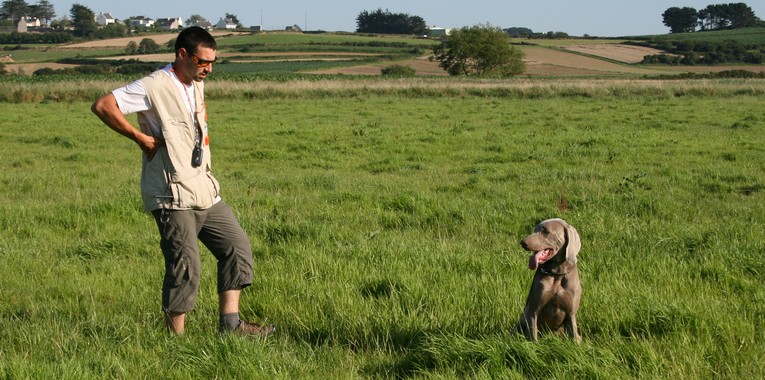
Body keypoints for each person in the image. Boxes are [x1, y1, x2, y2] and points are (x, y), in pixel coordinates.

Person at [91, 27, 275, 337]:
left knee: (237, 247)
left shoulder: (194, 83)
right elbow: (103, 105)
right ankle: (176, 342)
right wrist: (140, 138)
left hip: (203, 187)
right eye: (203, 62)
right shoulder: (153, 85)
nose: (209, 69)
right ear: (182, 55)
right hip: (171, 193)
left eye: (213, 62)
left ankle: (231, 326)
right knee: (185, 266)